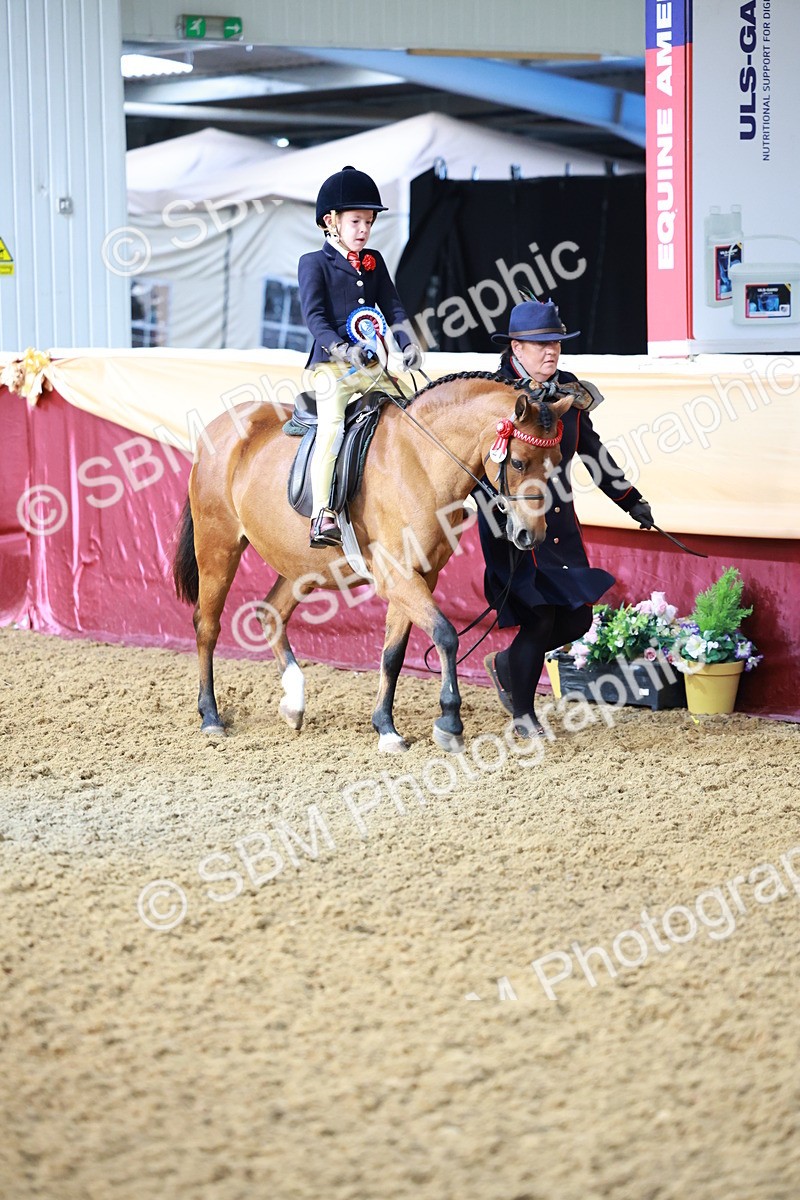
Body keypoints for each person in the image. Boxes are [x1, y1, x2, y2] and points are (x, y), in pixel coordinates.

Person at [480, 298, 655, 736]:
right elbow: (474, 466)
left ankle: (506, 664)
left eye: (556, 342)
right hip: (511, 522)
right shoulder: (491, 394)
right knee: (540, 617)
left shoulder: (570, 391)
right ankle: (524, 716)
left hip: (558, 522)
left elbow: (594, 453)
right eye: (540, 344)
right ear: (516, 348)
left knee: (577, 618)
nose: (551, 351)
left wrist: (630, 499)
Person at [298, 166, 422, 547]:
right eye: (356, 221)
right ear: (330, 222)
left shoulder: (375, 261)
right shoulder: (313, 263)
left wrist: (407, 343)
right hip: (331, 365)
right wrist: (343, 349)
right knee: (332, 427)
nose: (364, 230)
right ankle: (323, 513)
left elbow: (394, 308)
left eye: (368, 222)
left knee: (414, 415)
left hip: (372, 366)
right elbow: (314, 317)